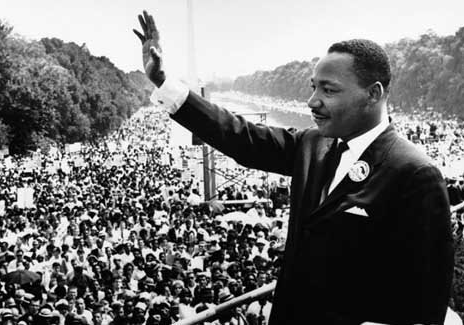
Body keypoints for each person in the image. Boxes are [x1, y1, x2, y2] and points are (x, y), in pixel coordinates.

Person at [133, 10, 454, 325]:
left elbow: (425, 306)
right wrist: (164, 82)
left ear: (373, 94)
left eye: (328, 90)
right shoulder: (312, 143)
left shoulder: (415, 173)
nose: (312, 101)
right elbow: (239, 137)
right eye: (313, 87)